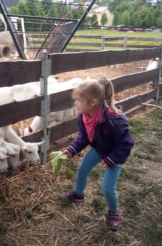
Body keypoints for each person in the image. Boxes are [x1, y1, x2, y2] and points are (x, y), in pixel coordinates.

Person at [58, 78, 134, 230]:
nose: (75, 103)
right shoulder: (83, 116)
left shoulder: (114, 120)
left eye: (79, 100)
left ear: (93, 102)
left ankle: (113, 212)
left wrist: (112, 159)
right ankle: (78, 194)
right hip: (100, 148)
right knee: (82, 169)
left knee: (107, 188)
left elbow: (126, 143)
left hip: (115, 153)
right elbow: (84, 137)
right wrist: (72, 149)